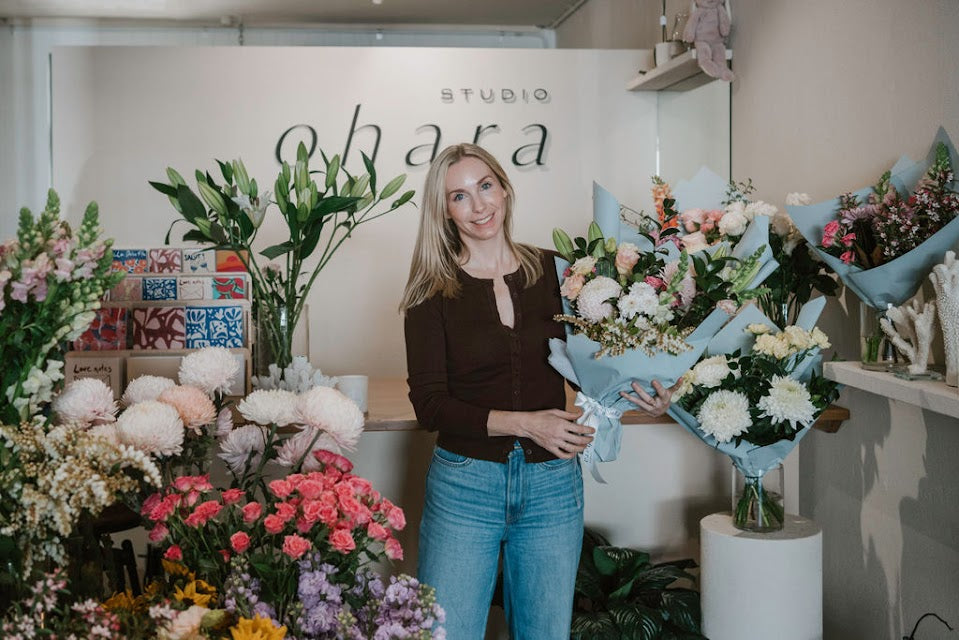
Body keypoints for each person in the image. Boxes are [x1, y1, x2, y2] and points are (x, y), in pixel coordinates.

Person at [400, 143, 675, 639]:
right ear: (444, 211)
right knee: (447, 633)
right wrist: (525, 422)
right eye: (459, 196)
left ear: (504, 187)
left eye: (485, 186)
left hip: (552, 485)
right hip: (466, 486)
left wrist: (645, 393)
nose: (479, 205)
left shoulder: (559, 273)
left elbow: (594, 370)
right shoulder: (430, 290)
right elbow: (431, 405)